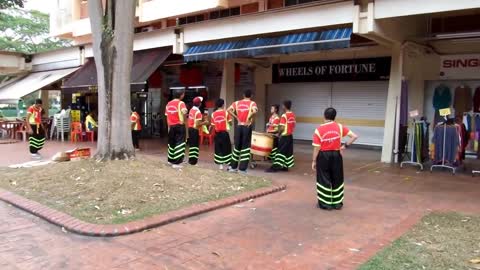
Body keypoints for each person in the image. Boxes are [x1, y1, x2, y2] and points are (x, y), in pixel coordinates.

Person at [312, 107, 358, 211]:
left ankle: (326, 204)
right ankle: (337, 204)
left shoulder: (319, 129)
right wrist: (344, 146)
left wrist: (314, 160)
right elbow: (354, 136)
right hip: (337, 155)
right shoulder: (340, 127)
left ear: (324, 116)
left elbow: (317, 147)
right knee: (337, 178)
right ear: (334, 117)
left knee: (324, 178)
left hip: (323, 155)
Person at [228, 90, 258, 173]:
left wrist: (236, 117)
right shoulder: (252, 103)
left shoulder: (236, 103)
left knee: (237, 146)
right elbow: (255, 111)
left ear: (243, 95)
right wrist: (249, 118)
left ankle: (233, 168)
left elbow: (228, 110)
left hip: (239, 126)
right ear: (251, 96)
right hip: (246, 127)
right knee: (245, 147)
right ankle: (242, 169)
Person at [266, 101, 296, 173]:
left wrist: (278, 134)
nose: (282, 107)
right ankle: (285, 167)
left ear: (285, 106)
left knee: (280, 152)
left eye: (283, 106)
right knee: (287, 152)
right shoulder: (293, 115)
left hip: (285, 136)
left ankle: (275, 167)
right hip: (290, 136)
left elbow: (282, 127)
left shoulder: (284, 115)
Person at [165, 89, 188, 168]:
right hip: (179, 126)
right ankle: (177, 162)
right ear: (181, 95)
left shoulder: (168, 104)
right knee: (180, 143)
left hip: (171, 126)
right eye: (183, 94)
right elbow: (184, 112)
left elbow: (167, 116)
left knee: (171, 143)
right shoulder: (181, 103)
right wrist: (184, 120)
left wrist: (168, 126)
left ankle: (170, 160)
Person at [211, 98, 233, 170]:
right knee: (227, 148)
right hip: (224, 134)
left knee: (219, 148)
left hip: (217, 134)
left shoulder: (213, 114)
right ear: (223, 105)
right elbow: (230, 123)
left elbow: (213, 125)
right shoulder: (226, 113)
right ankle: (229, 165)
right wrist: (230, 123)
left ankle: (220, 165)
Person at [187, 96, 208, 165]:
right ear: (199, 104)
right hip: (194, 130)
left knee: (191, 145)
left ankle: (191, 160)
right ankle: (193, 162)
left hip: (190, 129)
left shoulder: (191, 110)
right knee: (195, 146)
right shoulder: (198, 112)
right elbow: (198, 124)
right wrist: (205, 122)